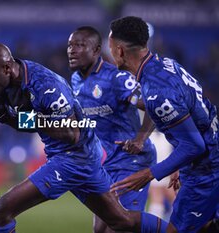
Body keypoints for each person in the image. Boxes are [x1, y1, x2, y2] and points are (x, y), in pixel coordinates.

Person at [0, 42, 168, 233]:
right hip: (81, 156)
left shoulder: (46, 85)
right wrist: (12, 118)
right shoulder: (3, 89)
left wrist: (28, 119)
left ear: (7, 68)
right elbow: (20, 123)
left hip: (72, 157)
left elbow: (70, 134)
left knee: (1, 211)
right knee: (121, 221)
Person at [108, 16, 219, 233]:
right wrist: (144, 140)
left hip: (207, 165)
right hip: (213, 149)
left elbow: (194, 145)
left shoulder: (156, 91)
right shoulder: (163, 65)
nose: (109, 52)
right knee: (205, 227)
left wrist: (148, 174)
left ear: (120, 50)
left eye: (110, 47)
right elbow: (189, 115)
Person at [67, 26, 157, 233]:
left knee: (122, 226)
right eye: (70, 45)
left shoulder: (116, 78)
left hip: (131, 161)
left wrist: (140, 139)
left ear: (96, 50)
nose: (72, 50)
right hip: (105, 165)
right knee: (100, 230)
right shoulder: (76, 80)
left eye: (79, 45)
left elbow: (153, 104)